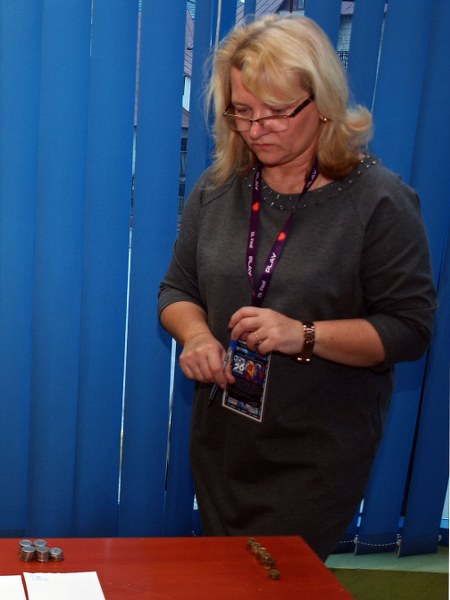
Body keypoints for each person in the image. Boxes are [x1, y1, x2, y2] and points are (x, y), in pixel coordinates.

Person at [158, 14, 436, 561]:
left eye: (277, 111)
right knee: (229, 576)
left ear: (323, 103)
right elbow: (176, 289)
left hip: (316, 453)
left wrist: (303, 335)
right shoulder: (217, 190)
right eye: (242, 111)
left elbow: (409, 330)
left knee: (278, 579)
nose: (256, 128)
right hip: (224, 442)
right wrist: (196, 336)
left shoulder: (379, 203)